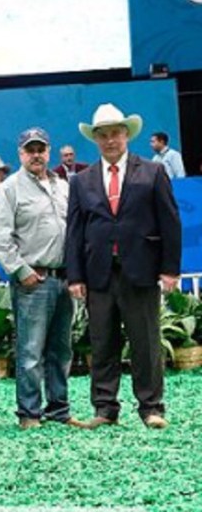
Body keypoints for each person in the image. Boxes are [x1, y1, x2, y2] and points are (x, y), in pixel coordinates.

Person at [66, 104, 181, 430]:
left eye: (115, 133)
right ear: (96, 139)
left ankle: (151, 408)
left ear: (127, 134)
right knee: (102, 342)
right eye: (102, 135)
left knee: (145, 341)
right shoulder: (81, 180)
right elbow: (74, 230)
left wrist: (170, 268)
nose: (110, 140)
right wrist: (75, 274)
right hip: (98, 272)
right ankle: (105, 409)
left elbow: (170, 221)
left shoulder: (153, 172)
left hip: (141, 270)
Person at [0, 127, 80, 429]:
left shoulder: (64, 186)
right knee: (30, 351)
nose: (36, 154)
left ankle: (59, 409)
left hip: (64, 278)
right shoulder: (9, 188)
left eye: (41, 149)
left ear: (49, 151)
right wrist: (21, 271)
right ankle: (29, 413)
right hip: (34, 279)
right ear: (21, 154)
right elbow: (0, 239)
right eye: (30, 150)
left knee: (61, 349)